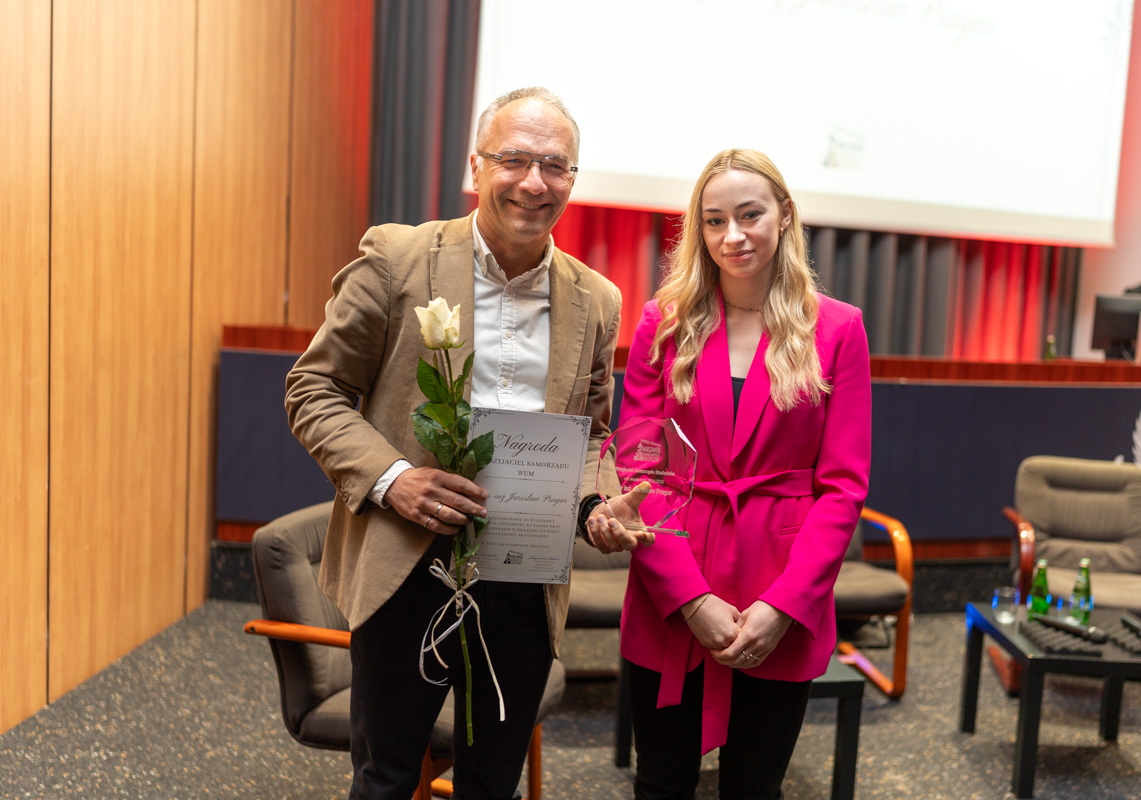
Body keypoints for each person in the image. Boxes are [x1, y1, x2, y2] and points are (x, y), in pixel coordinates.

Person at [284, 87, 624, 800]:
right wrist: (392, 477)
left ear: (573, 179)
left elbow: (591, 433)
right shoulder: (398, 258)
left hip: (525, 576)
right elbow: (313, 390)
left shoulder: (597, 298)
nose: (534, 182)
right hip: (406, 562)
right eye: (514, 159)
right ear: (476, 166)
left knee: (492, 782)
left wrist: (596, 501)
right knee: (386, 777)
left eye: (555, 166)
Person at [586, 149, 872, 800]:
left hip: (782, 589)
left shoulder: (839, 328)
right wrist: (691, 599)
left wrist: (785, 604)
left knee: (755, 786)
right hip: (672, 583)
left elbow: (842, 489)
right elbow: (640, 472)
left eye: (749, 215)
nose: (732, 235)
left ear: (784, 215)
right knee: (661, 783)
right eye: (714, 221)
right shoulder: (665, 321)